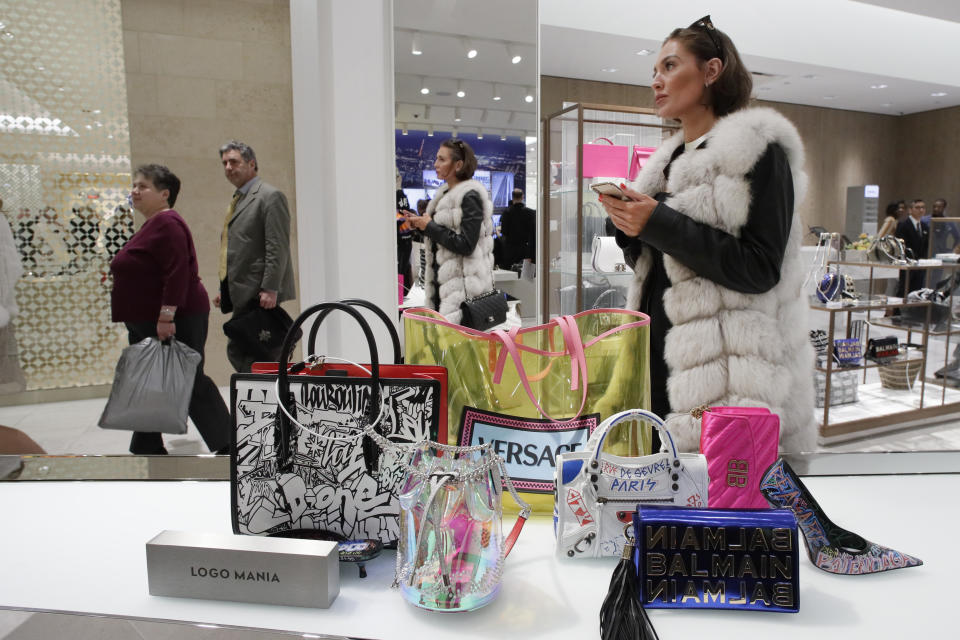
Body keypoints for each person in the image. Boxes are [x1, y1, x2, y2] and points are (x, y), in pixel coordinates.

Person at [599, 15, 814, 452]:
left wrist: (659, 223)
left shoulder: (756, 153)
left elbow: (759, 268)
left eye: (670, 67)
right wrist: (629, 228)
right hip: (658, 359)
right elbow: (659, 267)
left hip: (726, 376)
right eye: (654, 71)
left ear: (711, 71)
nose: (657, 81)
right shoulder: (664, 164)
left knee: (719, 501)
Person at [110, 165, 230, 455]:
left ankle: (230, 444)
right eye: (134, 185)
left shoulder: (168, 224)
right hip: (149, 320)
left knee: (187, 378)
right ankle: (146, 443)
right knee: (151, 379)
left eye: (143, 186)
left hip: (177, 317)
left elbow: (176, 273)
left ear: (164, 194)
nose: (135, 191)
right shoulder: (153, 224)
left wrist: (166, 316)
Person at [215, 141, 296, 372]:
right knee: (245, 349)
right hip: (242, 290)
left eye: (234, 162)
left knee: (251, 350)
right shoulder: (239, 198)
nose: (229, 167)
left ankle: (267, 397)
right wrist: (225, 289)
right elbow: (235, 249)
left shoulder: (270, 196)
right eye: (225, 163)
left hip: (257, 291)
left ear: (252, 164)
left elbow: (277, 246)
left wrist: (271, 288)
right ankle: (260, 396)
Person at [404, 139, 495, 322]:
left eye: (441, 159)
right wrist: (421, 226)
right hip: (443, 287)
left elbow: (466, 245)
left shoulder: (470, 197)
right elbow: (445, 236)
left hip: (462, 295)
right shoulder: (446, 195)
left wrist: (429, 226)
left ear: (458, 165)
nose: (435, 164)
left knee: (461, 347)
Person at [895, 198, 930, 296]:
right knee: (904, 290)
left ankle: (912, 311)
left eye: (923, 208)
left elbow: (926, 246)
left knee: (917, 291)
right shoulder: (903, 224)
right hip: (907, 264)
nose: (921, 210)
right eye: (917, 207)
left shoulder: (925, 226)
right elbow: (900, 245)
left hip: (920, 265)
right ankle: (898, 311)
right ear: (910, 210)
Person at [499, 188, 536, 269]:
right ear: (523, 197)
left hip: (510, 250)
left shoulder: (506, 213)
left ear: (512, 198)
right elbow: (533, 234)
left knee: (510, 276)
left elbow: (504, 233)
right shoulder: (531, 213)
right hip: (525, 251)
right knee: (525, 277)